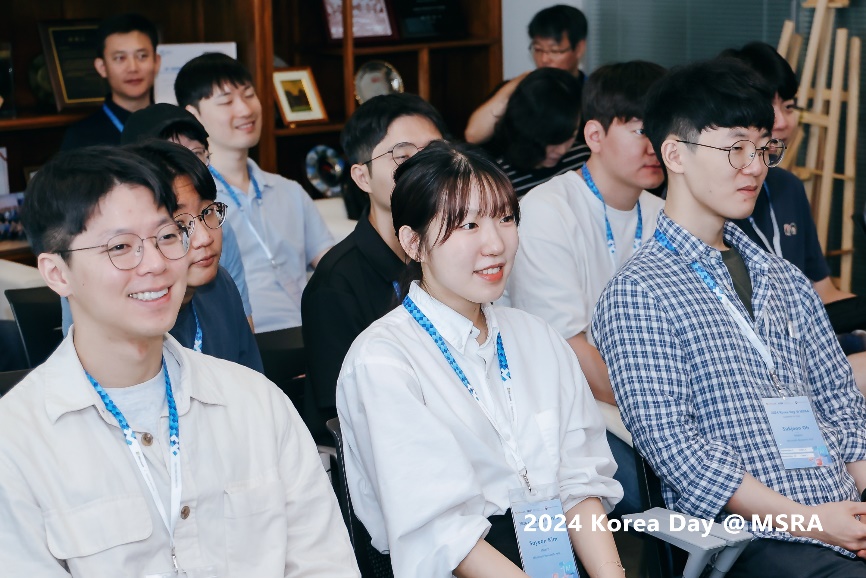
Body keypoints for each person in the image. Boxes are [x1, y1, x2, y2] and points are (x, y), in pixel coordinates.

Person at [1, 147, 359, 576]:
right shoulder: (18, 444)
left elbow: (325, 564)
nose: (155, 264)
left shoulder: (255, 404)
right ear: (57, 273)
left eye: (167, 237)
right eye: (121, 247)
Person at [593, 58, 866, 578]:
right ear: (674, 153)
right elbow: (680, 451)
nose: (756, 166)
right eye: (735, 148)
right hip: (748, 542)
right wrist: (812, 523)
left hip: (841, 514)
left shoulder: (781, 278)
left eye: (764, 148)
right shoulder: (638, 294)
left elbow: (842, 407)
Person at [337, 141, 623, 578]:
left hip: (557, 550)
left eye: (506, 218)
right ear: (414, 243)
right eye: (468, 225)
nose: (495, 244)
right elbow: (442, 533)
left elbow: (580, 481)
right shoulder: (384, 362)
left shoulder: (536, 337)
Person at [507, 61, 666, 515]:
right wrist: (660, 415)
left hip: (647, 398)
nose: (655, 145)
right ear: (594, 136)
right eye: (640, 130)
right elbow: (570, 348)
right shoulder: (546, 211)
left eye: (663, 130)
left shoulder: (664, 214)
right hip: (572, 405)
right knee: (660, 492)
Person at [301, 93, 447, 439]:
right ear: (362, 177)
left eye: (434, 153)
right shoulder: (335, 283)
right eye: (404, 155)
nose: (424, 168)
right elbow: (344, 413)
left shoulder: (453, 255)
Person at [721, 43, 866, 369]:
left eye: (789, 106)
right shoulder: (716, 196)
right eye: (768, 107)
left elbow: (823, 292)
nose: (783, 122)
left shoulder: (788, 187)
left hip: (807, 350)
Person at [176, 53, 334, 332]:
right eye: (226, 101)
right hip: (246, 341)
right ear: (193, 115)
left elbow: (332, 266)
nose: (245, 109)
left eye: (249, 95)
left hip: (311, 333)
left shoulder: (289, 190)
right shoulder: (195, 205)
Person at [130, 140, 264, 372]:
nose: (204, 238)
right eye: (179, 224)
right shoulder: (130, 317)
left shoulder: (221, 286)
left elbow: (255, 391)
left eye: (208, 212)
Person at [121, 102, 254, 328]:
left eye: (197, 153)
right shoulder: (106, 253)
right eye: (169, 156)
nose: (187, 167)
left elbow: (243, 338)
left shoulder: (216, 228)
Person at [465, 4, 588, 145]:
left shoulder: (590, 94)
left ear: (579, 48)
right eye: (538, 49)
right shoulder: (518, 88)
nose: (544, 59)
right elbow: (473, 135)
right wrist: (516, 84)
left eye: (554, 51)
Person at [61, 13, 160, 150]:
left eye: (142, 56)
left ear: (157, 62)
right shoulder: (81, 137)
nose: (133, 68)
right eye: (120, 58)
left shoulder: (175, 125)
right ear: (102, 67)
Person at [490, 67, 590, 198]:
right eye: (553, 140)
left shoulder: (584, 160)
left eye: (570, 136)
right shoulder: (499, 182)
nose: (562, 150)